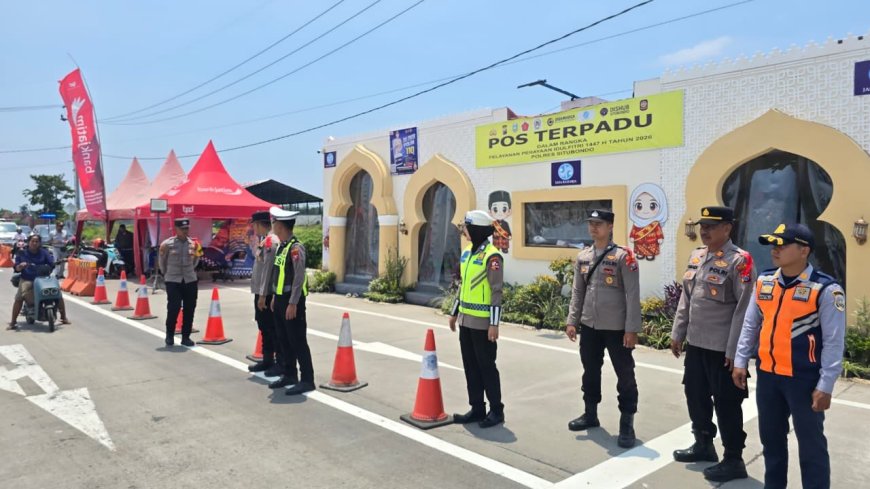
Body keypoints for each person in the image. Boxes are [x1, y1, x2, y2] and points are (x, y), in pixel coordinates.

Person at [732, 223, 845, 489]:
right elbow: (751, 324)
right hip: (769, 377)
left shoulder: (826, 289)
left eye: (782, 245)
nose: (775, 250)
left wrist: (826, 385)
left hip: (804, 381)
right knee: (771, 443)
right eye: (773, 244)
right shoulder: (765, 281)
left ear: (804, 250)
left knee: (811, 447)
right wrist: (740, 361)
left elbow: (833, 341)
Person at [670, 206, 756, 483]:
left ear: (727, 228)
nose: (704, 230)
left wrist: (736, 353)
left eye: (711, 226)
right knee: (694, 395)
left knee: (727, 404)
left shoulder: (739, 261)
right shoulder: (697, 255)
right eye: (702, 226)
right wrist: (677, 332)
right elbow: (687, 298)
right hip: (696, 343)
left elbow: (745, 311)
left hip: (722, 350)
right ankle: (703, 444)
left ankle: (733, 459)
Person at [565, 209, 641, 448]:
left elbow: (632, 294)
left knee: (625, 375)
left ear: (610, 227)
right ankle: (590, 413)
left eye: (599, 224)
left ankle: (626, 423)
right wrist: (572, 320)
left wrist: (631, 329)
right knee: (590, 370)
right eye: (591, 224)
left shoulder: (623, 257)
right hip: (590, 325)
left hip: (617, 328)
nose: (594, 228)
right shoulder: (583, 257)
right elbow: (578, 291)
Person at [449, 210, 506, 429]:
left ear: (477, 229)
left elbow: (496, 291)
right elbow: (463, 286)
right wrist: (455, 313)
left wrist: (494, 323)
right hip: (466, 320)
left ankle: (496, 410)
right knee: (470, 366)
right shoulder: (466, 253)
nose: (464, 230)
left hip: (483, 323)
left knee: (486, 366)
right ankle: (477, 408)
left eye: (467, 227)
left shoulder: (492, 256)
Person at [268, 206, 315, 396]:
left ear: (280, 225)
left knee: (297, 340)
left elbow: (299, 277)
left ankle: (307, 380)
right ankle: (289, 374)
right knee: (283, 339)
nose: (272, 225)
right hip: (280, 299)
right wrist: (274, 297)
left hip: (291, 301)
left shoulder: (296, 248)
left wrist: (293, 303)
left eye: (274, 222)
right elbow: (278, 275)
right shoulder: (282, 246)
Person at [8, 235, 70, 330]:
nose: (34, 243)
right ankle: (13, 322)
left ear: (39, 243)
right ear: (28, 242)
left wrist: (55, 264)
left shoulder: (44, 253)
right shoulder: (22, 253)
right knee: (19, 298)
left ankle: (63, 317)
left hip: (43, 278)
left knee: (57, 293)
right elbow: (16, 267)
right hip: (27, 278)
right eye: (32, 241)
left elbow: (51, 263)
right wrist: (20, 266)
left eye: (37, 241)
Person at [247, 211, 283, 377]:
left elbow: (268, 271)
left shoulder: (270, 241)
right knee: (264, 327)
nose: (253, 229)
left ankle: (277, 362)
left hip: (266, 294)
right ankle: (268, 359)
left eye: (253, 225)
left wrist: (262, 295)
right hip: (261, 292)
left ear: (259, 224)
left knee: (271, 328)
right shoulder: (265, 240)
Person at [159, 218, 202, 347]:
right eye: (182, 229)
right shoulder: (167, 244)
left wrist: (190, 271)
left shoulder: (194, 244)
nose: (185, 231)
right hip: (173, 280)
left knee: (190, 309)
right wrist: (167, 274)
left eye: (187, 229)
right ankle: (169, 335)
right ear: (176, 229)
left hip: (190, 280)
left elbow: (196, 260)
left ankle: (186, 337)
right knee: (174, 308)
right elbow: (162, 262)